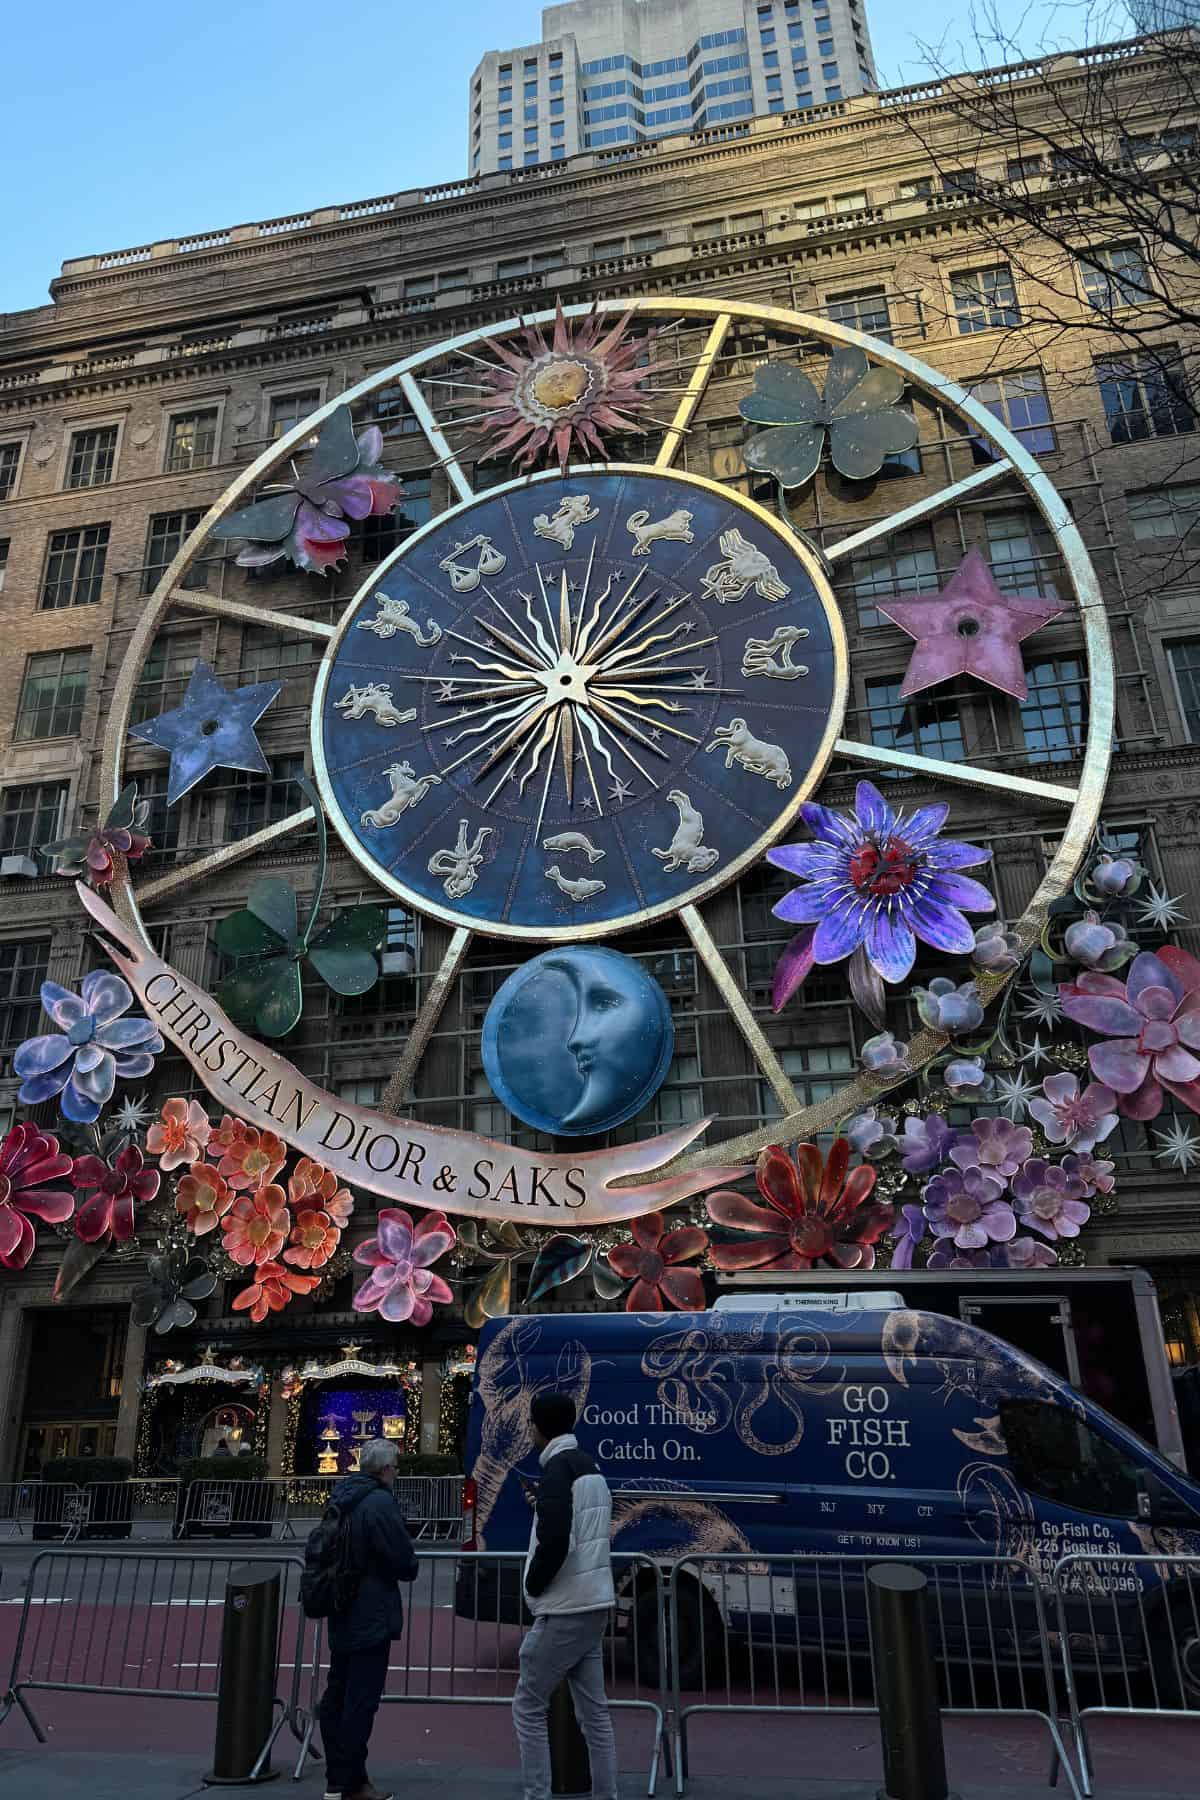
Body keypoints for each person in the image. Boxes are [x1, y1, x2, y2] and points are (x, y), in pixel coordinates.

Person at [512, 1393, 617, 1800]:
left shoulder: (556, 1471)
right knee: (595, 1714)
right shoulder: (589, 1469)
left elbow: (556, 1541)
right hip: (594, 1602)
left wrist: (533, 1584)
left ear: (539, 1426)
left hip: (565, 1605)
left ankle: (537, 1794)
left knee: (527, 1705)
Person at [315, 1438, 418, 1800]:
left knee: (338, 1692)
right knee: (360, 1700)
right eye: (397, 1467)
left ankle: (337, 1777)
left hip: (341, 1607)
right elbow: (405, 1561)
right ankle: (350, 1782)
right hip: (371, 1611)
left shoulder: (343, 1495)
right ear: (386, 1469)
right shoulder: (379, 1502)